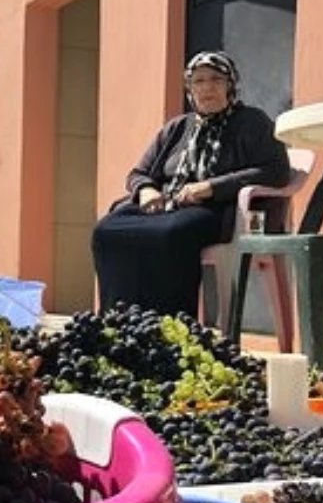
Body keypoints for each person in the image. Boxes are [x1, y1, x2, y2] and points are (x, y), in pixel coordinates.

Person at [92, 51, 291, 317]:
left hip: (217, 210)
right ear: (189, 88)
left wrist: (211, 186)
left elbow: (276, 171)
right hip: (165, 205)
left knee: (170, 234)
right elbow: (138, 172)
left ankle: (172, 324)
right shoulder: (177, 127)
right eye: (198, 81)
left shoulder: (253, 122)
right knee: (108, 230)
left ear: (230, 84)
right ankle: (117, 319)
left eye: (216, 79)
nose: (207, 87)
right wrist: (147, 190)